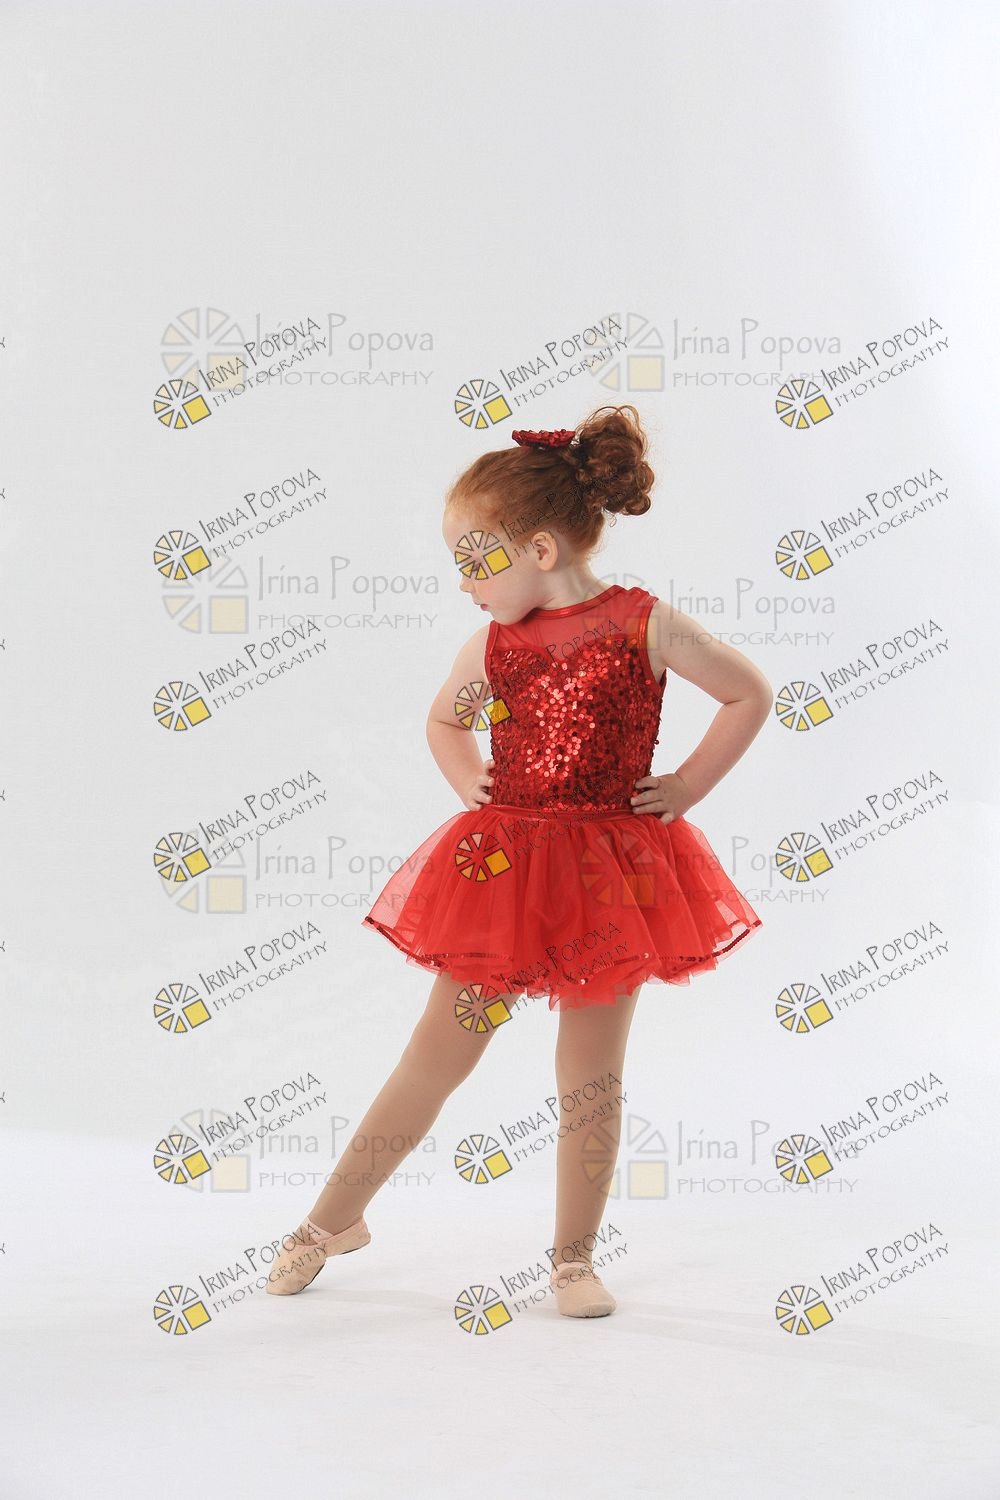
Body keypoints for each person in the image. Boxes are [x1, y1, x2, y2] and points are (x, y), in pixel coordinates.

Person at [266, 403, 772, 1316]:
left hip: (611, 882)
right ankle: (328, 1222)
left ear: (539, 550)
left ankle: (573, 1260)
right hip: (501, 877)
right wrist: (470, 778)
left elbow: (747, 693)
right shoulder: (493, 644)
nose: (464, 584)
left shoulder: (644, 624)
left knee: (590, 1075)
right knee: (436, 1054)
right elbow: (443, 720)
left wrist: (687, 786)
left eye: (474, 563)